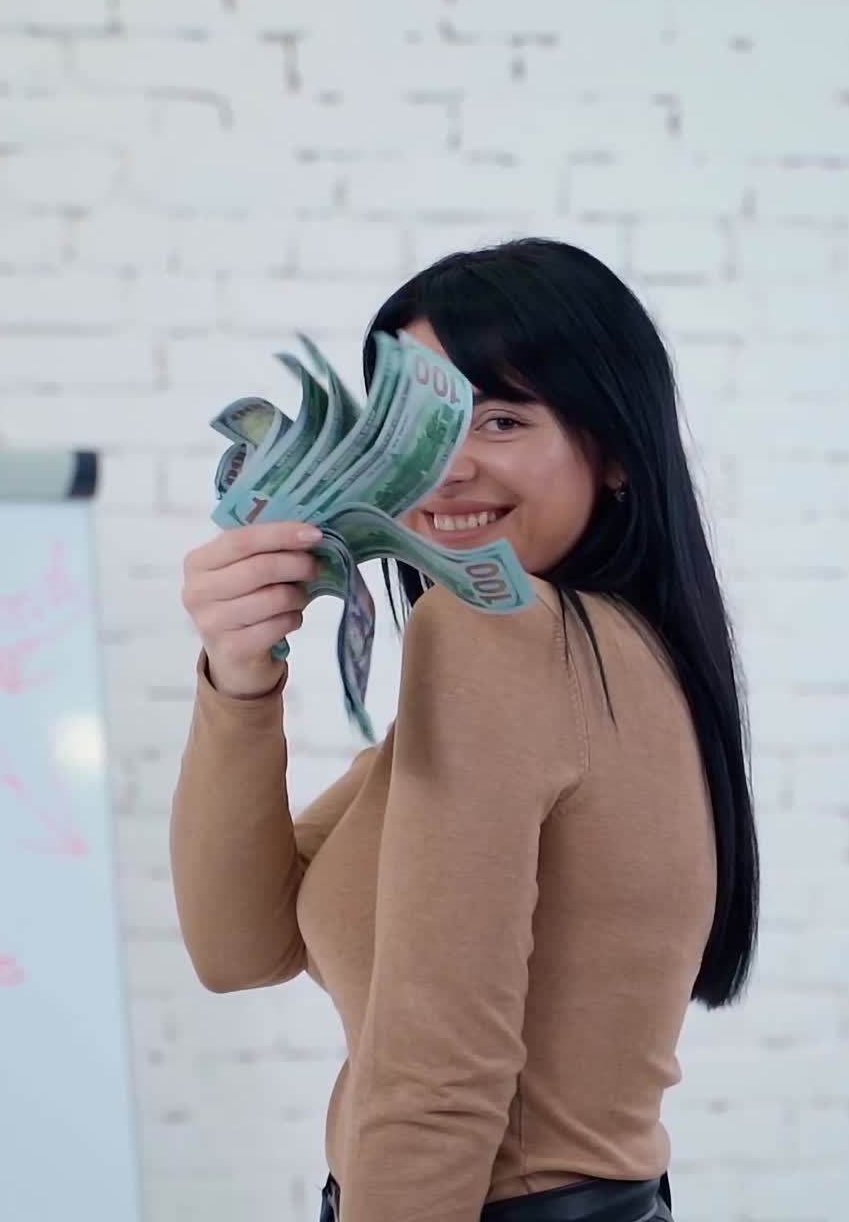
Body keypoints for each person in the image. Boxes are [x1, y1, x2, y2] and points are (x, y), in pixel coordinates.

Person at [170, 238, 759, 1222]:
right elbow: (240, 942)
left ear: (613, 447)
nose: (443, 468)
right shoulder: (606, 657)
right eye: (411, 422)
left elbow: (438, 1079)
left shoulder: (496, 635)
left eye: (498, 416)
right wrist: (239, 677)